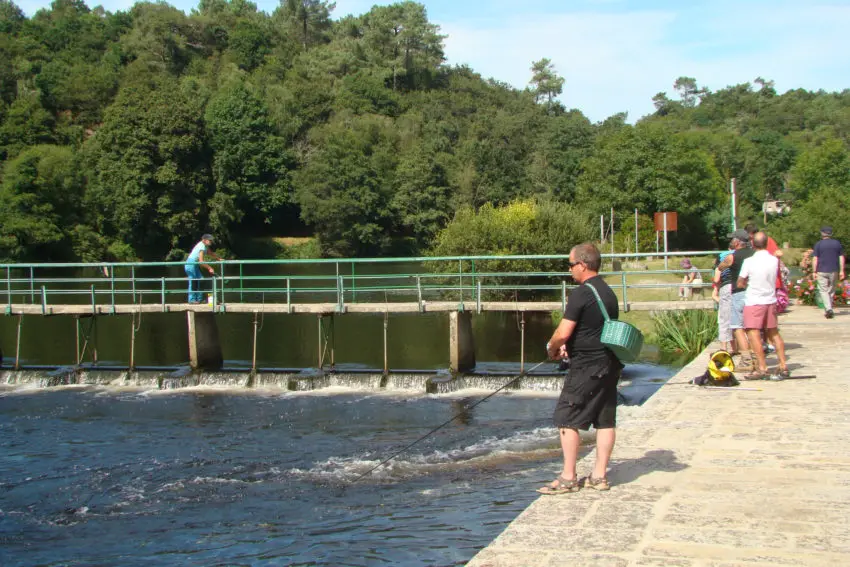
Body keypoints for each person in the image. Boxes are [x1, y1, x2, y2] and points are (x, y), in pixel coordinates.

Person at [537, 243, 624, 495]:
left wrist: (553, 347)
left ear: (583, 265)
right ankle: (599, 476)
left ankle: (568, 478)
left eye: (571, 264)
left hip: (587, 366)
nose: (570, 269)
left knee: (566, 418)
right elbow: (594, 329)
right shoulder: (607, 291)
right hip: (609, 363)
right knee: (605, 420)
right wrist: (571, 346)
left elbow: (563, 332)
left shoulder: (581, 293)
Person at [737, 232, 789, 380]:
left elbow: (740, 282)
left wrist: (746, 283)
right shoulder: (774, 260)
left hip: (754, 301)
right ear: (767, 243)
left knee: (753, 333)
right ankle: (783, 365)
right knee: (773, 333)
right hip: (770, 300)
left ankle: (762, 367)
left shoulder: (749, 261)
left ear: (752, 244)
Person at [717, 229, 755, 371]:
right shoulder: (755, 255)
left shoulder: (733, 256)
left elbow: (721, 267)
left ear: (737, 242)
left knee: (737, 327)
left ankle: (746, 360)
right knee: (752, 327)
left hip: (738, 293)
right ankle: (756, 356)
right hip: (754, 293)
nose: (731, 241)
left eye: (733, 239)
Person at [812, 226, 845, 319]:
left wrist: (814, 271)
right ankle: (829, 308)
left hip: (821, 270)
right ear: (831, 234)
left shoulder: (818, 244)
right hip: (834, 270)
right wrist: (842, 270)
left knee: (823, 290)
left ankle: (828, 309)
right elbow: (841, 257)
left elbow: (815, 258)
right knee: (831, 289)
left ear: (822, 233)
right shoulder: (837, 243)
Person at [711, 244, 735, 353]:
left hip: (726, 286)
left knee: (724, 320)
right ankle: (737, 348)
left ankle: (723, 348)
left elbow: (716, 278)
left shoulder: (722, 256)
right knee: (738, 321)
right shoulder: (741, 254)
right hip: (740, 287)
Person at [185, 234, 219, 304]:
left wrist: (219, 258)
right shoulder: (201, 246)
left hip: (195, 264)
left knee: (201, 280)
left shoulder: (205, 246)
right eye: (210, 240)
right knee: (193, 281)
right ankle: (192, 300)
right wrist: (210, 268)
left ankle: (199, 299)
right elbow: (201, 261)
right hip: (191, 263)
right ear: (205, 240)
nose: (211, 242)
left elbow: (210, 253)